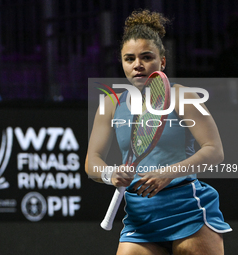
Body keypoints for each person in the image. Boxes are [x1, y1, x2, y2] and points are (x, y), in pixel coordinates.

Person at [85, 10, 231, 255]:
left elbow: (215, 151)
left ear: (162, 61)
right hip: (140, 217)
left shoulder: (182, 96)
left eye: (146, 57)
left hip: (187, 209)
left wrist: (168, 173)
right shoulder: (110, 104)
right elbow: (92, 162)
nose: (137, 65)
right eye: (129, 59)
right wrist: (110, 173)